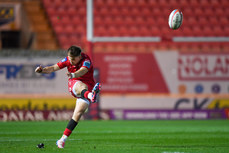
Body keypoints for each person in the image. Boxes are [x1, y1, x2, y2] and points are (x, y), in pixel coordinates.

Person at [35, 45, 101, 148]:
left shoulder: (86, 60)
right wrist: (42, 70)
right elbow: (53, 67)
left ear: (79, 56)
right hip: (75, 85)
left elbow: (83, 71)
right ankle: (91, 95)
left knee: (78, 114)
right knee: (81, 85)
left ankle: (62, 140)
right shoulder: (68, 60)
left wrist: (73, 74)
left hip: (87, 86)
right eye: (70, 58)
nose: (71, 61)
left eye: (73, 59)